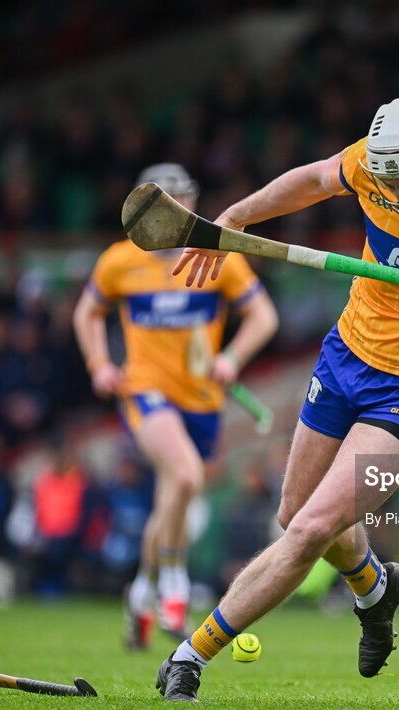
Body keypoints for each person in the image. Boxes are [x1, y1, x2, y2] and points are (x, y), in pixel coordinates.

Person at [155, 97, 399, 701]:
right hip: (346, 358)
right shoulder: (375, 163)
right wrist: (231, 219)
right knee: (295, 514)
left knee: (312, 527)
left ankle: (189, 656)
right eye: (390, 183)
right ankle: (374, 590)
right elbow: (315, 180)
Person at [72, 163, 279, 648]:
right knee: (184, 476)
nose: (177, 209)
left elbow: (263, 317)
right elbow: (87, 312)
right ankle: (173, 592)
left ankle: (138, 592)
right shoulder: (120, 262)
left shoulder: (216, 256)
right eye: (165, 201)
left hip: (202, 401)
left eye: (183, 198)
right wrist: (99, 363)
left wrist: (231, 358)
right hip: (145, 393)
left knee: (171, 498)